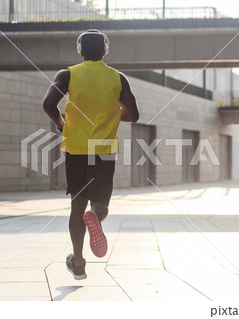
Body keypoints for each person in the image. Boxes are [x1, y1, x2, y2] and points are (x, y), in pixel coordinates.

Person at [42, 29, 139, 280]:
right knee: (101, 203)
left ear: (80, 50)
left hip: (75, 149)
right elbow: (134, 115)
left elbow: (48, 104)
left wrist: (62, 124)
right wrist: (113, 113)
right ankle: (94, 216)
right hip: (104, 149)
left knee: (77, 204)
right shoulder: (118, 78)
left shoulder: (67, 74)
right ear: (105, 50)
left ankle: (78, 261)